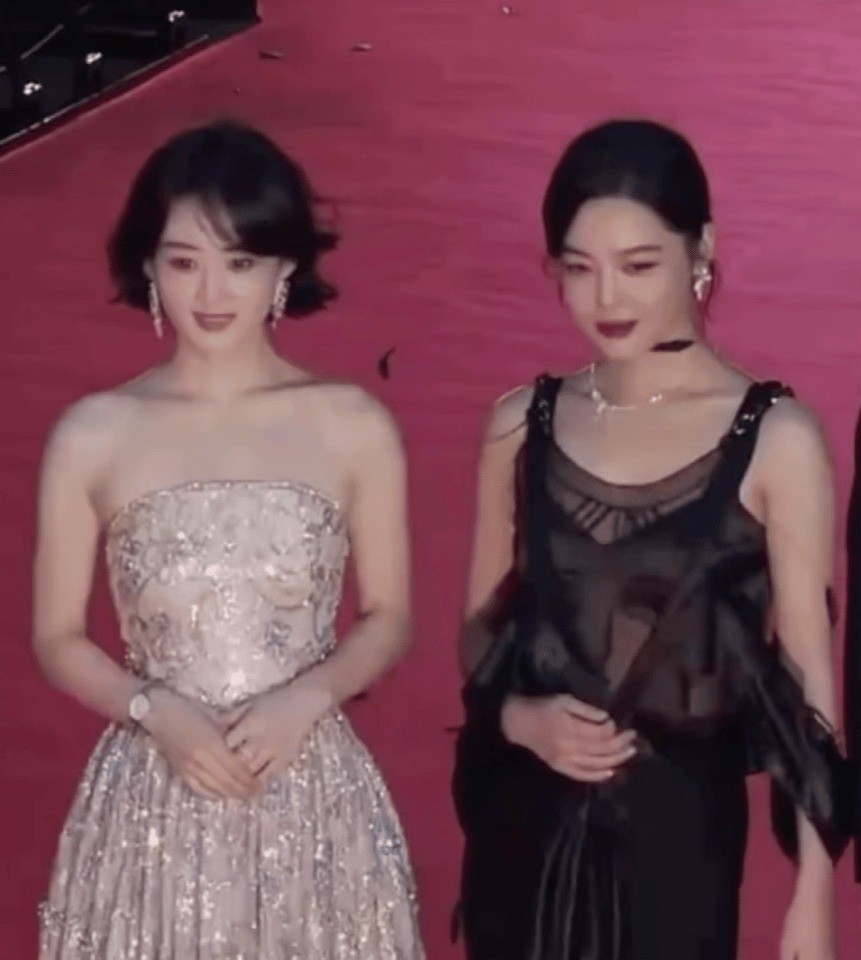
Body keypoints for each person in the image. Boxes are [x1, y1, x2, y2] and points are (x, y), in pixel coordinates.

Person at [453, 119, 848, 960]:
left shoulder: (775, 439)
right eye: (578, 268)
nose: (606, 299)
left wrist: (812, 896)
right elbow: (483, 639)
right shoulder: (519, 425)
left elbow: (809, 687)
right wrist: (521, 720)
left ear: (701, 250)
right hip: (525, 837)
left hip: (678, 845)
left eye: (637, 266)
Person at [34, 120, 424, 959]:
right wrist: (153, 711)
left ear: (284, 268)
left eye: (240, 262)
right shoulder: (93, 433)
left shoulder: (351, 424)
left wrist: (308, 699)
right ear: (147, 266)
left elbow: (390, 616)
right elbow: (57, 638)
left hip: (308, 783)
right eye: (184, 262)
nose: (211, 291)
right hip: (154, 794)